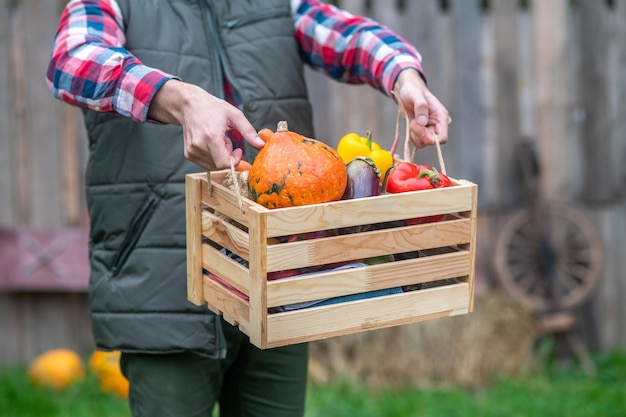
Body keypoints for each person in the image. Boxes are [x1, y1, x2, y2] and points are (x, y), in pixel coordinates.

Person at [46, 1, 450, 416]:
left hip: (282, 278)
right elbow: (71, 59)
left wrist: (405, 76)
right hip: (161, 278)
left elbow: (349, 36)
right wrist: (179, 99)